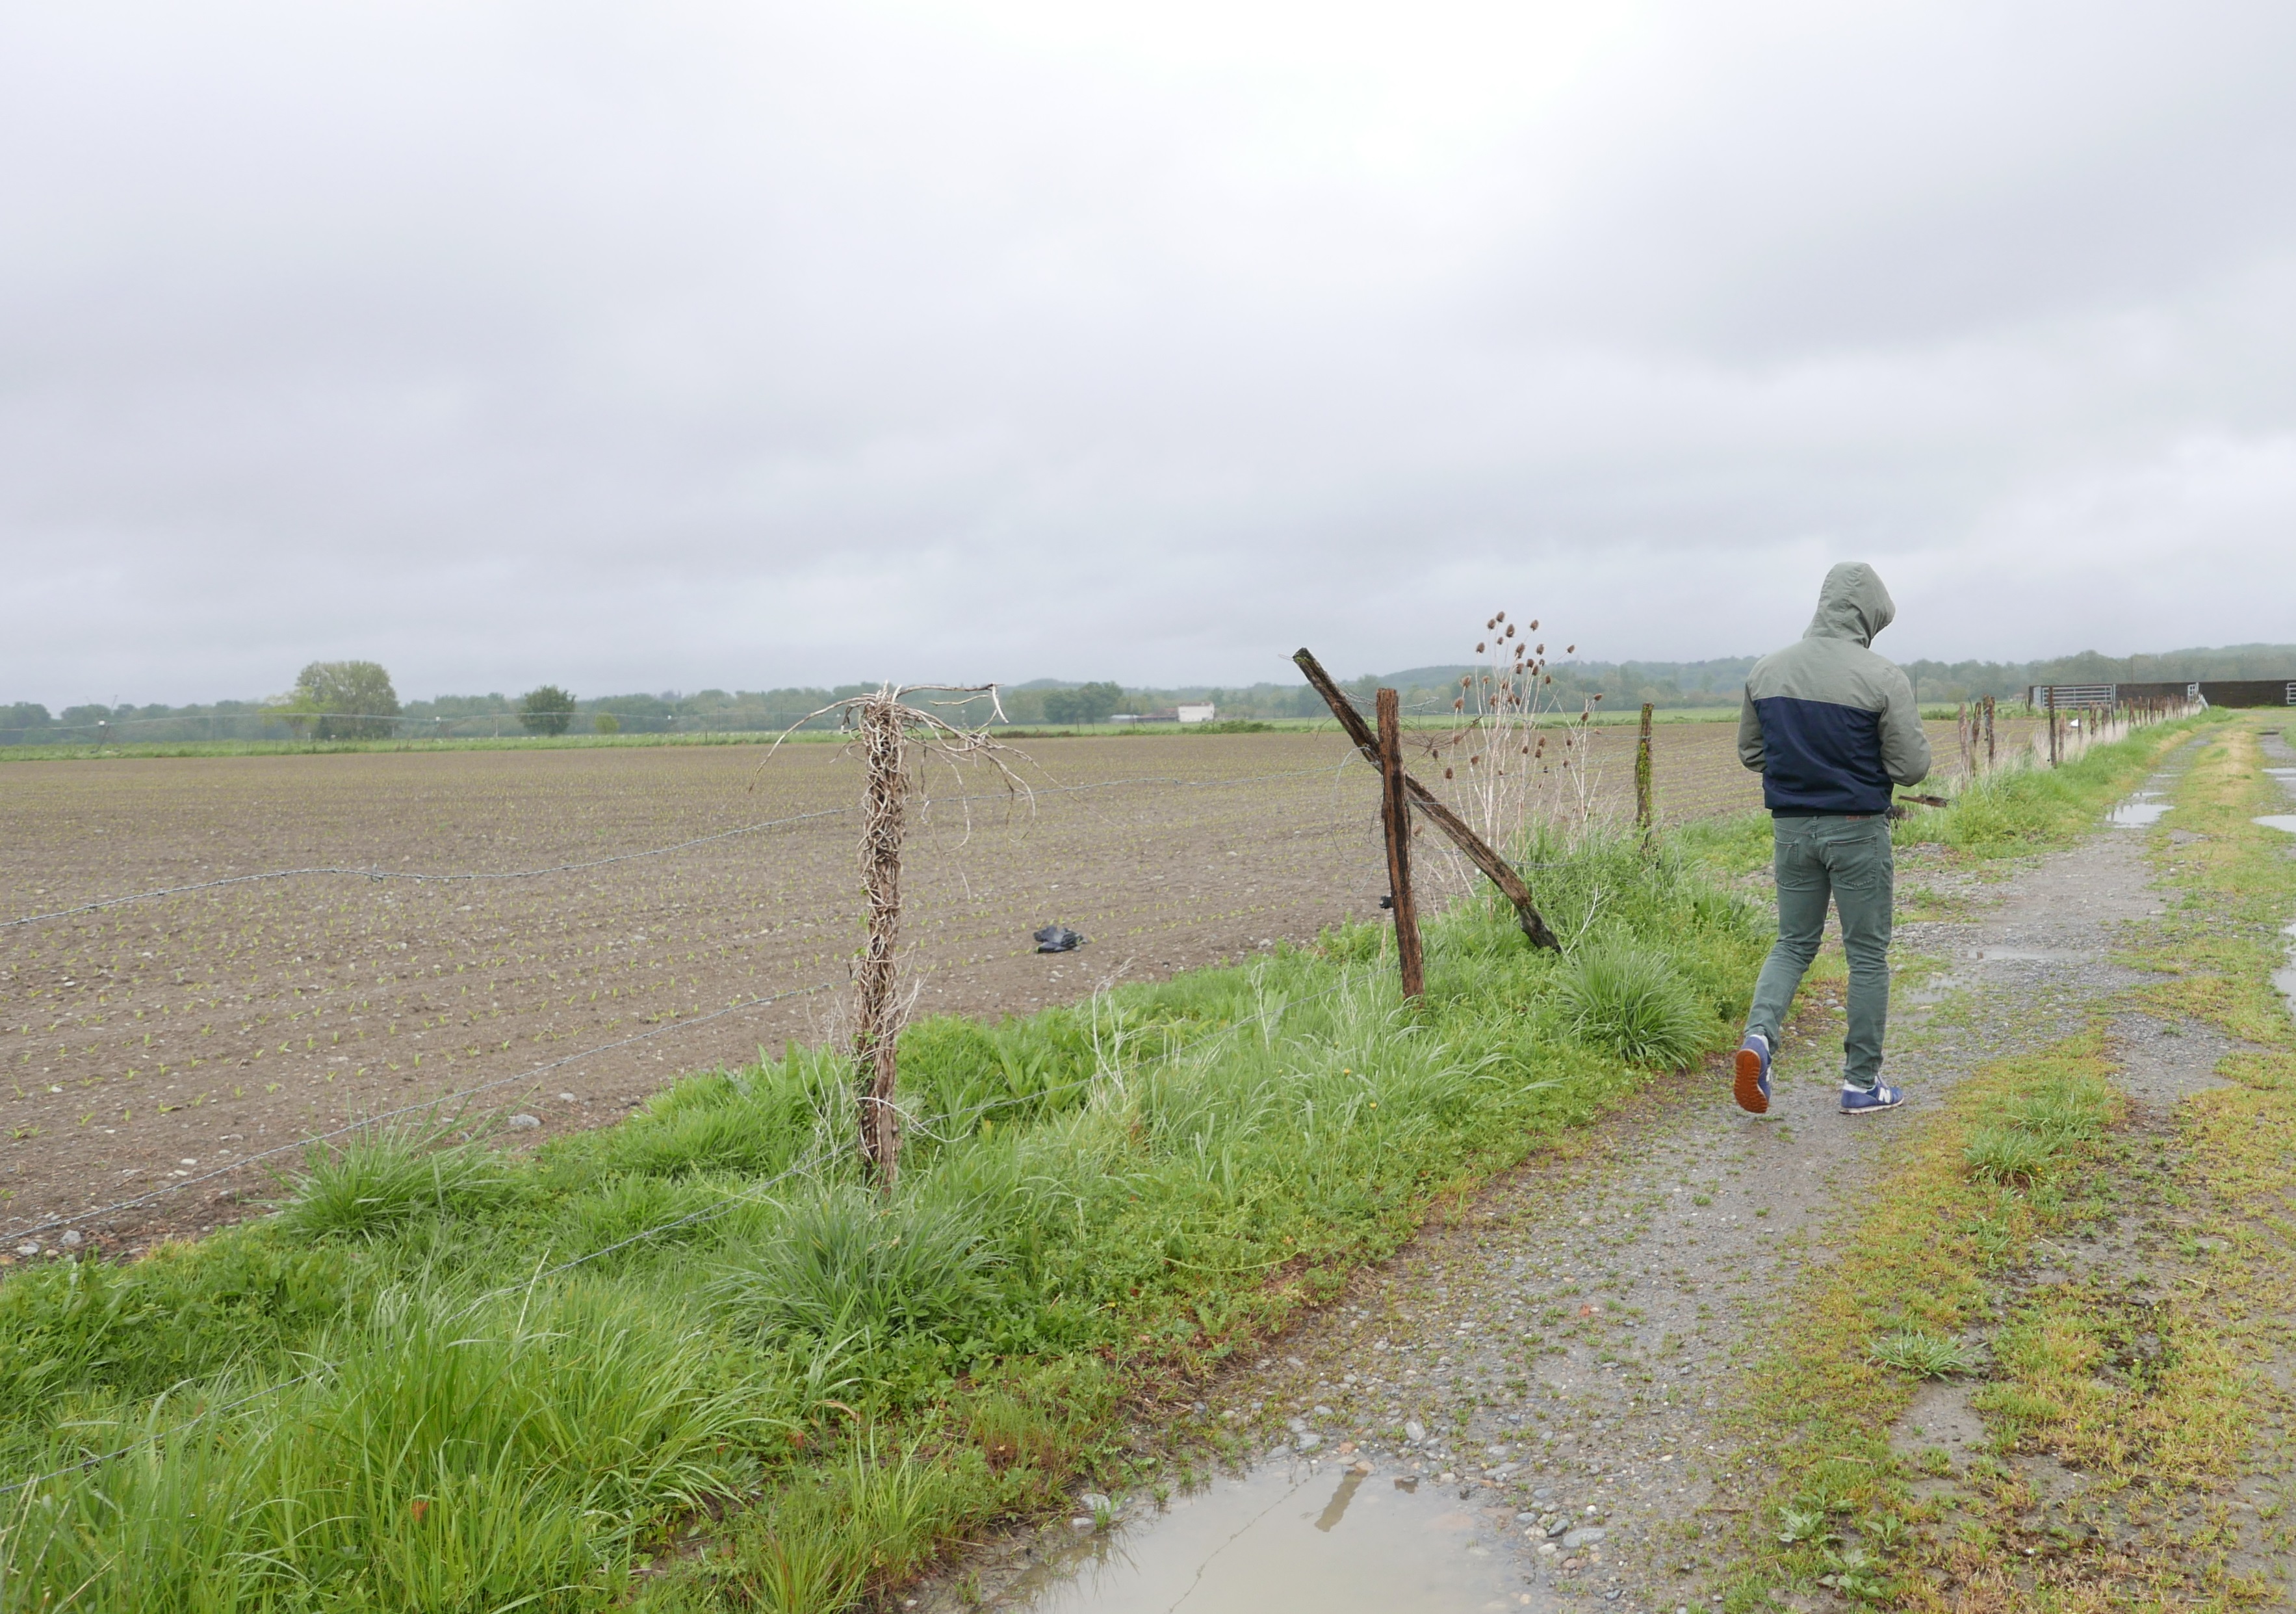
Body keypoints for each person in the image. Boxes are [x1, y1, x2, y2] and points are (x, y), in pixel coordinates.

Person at [1731, 562, 1931, 1116]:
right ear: (1868, 613)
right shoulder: (1883, 677)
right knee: (1866, 954)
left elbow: (1751, 754)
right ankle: (1861, 1083)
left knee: (1792, 942)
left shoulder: (1765, 671)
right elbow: (1911, 768)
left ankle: (1757, 1040)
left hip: (1790, 831)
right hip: (1856, 832)